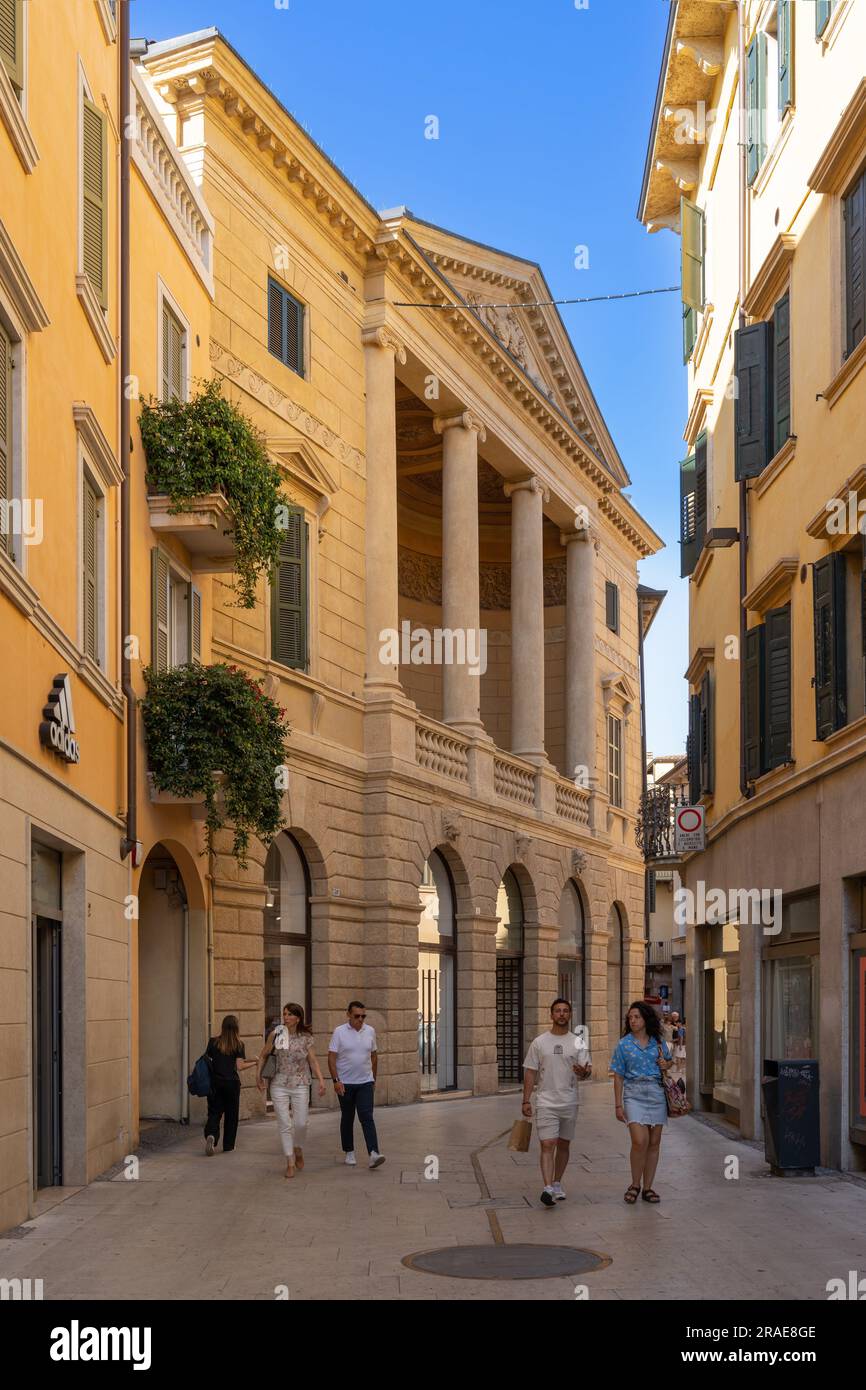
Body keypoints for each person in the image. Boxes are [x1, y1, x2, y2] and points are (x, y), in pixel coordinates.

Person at [521, 998, 592, 1207]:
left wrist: (584, 1072)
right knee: (547, 1143)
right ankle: (547, 1188)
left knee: (563, 1144)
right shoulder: (539, 1042)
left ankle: (557, 1182)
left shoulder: (578, 1042)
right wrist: (526, 1100)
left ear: (570, 1015)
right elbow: (531, 1072)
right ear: (551, 1015)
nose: (561, 1014)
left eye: (565, 1011)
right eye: (558, 1011)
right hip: (545, 1101)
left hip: (569, 1101)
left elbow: (586, 1070)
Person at [611, 1000, 673, 1204]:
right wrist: (618, 1105)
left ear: (645, 1019)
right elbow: (618, 1075)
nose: (633, 1020)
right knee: (640, 1141)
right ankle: (635, 1184)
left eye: (636, 1017)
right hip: (633, 1094)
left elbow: (669, 1060)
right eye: (630, 1017)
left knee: (654, 1142)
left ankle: (648, 1188)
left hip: (656, 1093)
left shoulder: (658, 1041)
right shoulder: (623, 1044)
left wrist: (666, 1063)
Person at [257, 1002, 326, 1178]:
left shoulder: (305, 1037)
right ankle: (289, 1160)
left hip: (301, 1083)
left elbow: (312, 1061)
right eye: (284, 1014)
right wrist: (258, 1077)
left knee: (301, 1123)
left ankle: (298, 1149)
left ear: (298, 1018)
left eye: (289, 1014)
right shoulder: (277, 1033)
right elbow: (264, 1055)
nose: (285, 1017)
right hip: (279, 1083)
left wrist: (321, 1080)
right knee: (284, 1124)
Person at [328, 1001, 385, 1169]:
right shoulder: (339, 1032)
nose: (360, 1019)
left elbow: (374, 1055)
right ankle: (349, 1151)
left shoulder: (370, 1031)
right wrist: (336, 1081)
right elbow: (331, 1057)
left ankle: (374, 1153)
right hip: (345, 1083)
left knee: (367, 1116)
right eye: (357, 1016)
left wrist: (373, 1078)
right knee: (347, 1117)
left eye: (363, 1016)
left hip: (365, 1082)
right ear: (348, 1015)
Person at [204, 1014, 257, 1155]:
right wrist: (255, 1062)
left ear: (222, 1026)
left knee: (214, 1112)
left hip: (215, 1083)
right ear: (236, 1028)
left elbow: (207, 1061)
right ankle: (228, 1146)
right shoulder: (239, 1044)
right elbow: (239, 1066)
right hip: (232, 1084)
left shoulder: (213, 1042)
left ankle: (211, 1136)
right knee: (231, 1115)